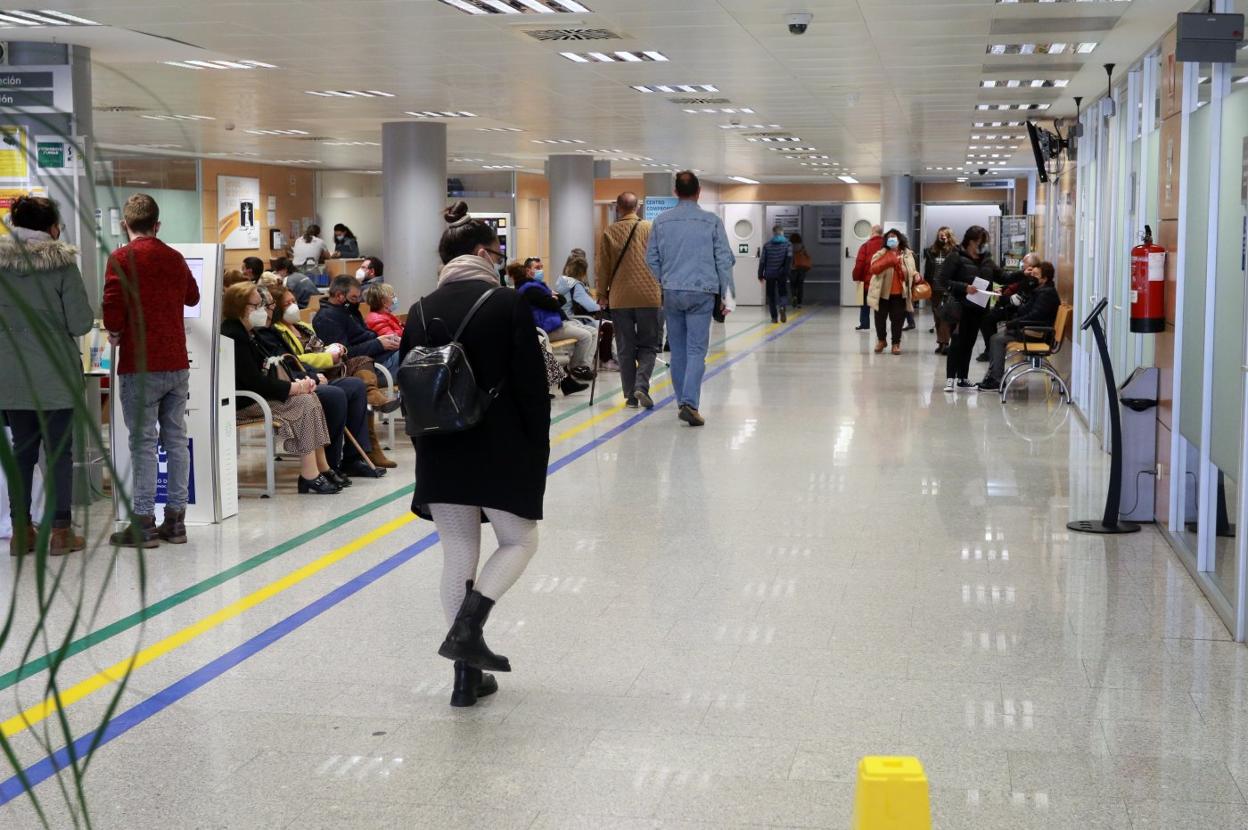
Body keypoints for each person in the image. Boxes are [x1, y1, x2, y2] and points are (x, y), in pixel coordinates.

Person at [399, 200, 550, 708]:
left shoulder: (419, 309)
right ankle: (470, 628)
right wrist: (537, 448)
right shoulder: (507, 304)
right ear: (484, 253)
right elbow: (532, 387)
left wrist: (423, 450)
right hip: (500, 444)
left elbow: (410, 388)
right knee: (519, 541)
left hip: (441, 447)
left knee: (457, 554)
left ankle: (465, 677)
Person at [102, 193, 200, 548]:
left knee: (142, 442)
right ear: (157, 225)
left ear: (125, 225)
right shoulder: (173, 258)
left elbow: (113, 306)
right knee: (175, 439)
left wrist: (115, 331)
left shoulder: (120, 258)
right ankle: (176, 522)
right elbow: (193, 297)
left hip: (139, 365)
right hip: (176, 362)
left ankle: (143, 522)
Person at [0, 195, 92, 556]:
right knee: (58, 454)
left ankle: (22, 532)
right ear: (52, 227)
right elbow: (81, 321)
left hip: (10, 374)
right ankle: (61, 532)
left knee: (20, 452)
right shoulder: (61, 264)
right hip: (55, 375)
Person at [221, 283, 341, 495]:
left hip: (258, 395)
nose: (263, 309)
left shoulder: (249, 331)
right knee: (304, 401)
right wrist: (293, 388)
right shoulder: (233, 334)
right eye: (257, 305)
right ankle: (309, 474)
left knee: (309, 397)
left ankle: (320, 467)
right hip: (244, 401)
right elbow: (254, 381)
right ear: (241, 306)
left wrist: (300, 384)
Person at [255, 286, 381, 482]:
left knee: (355, 386)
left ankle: (353, 458)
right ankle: (330, 464)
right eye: (284, 304)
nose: (292, 306)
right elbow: (288, 364)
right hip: (292, 385)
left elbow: (296, 361)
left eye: (293, 301)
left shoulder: (288, 328)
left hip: (309, 375)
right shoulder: (264, 333)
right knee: (334, 394)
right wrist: (313, 376)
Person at [644, 170, 735, 427]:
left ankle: (681, 402)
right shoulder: (712, 221)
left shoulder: (661, 222)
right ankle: (690, 403)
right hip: (702, 292)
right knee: (697, 350)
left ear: (675, 193)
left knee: (679, 351)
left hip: (671, 292)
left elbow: (650, 259)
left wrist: (665, 278)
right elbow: (724, 259)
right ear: (698, 192)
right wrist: (727, 295)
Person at [598, 192, 661, 409]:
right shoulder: (651, 228)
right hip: (649, 296)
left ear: (618, 208)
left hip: (620, 297)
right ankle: (641, 386)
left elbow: (603, 267)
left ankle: (630, 396)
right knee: (649, 345)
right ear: (638, 207)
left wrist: (601, 294)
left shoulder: (609, 231)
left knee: (625, 348)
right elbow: (660, 259)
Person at [507, 263, 589, 397]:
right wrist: (553, 298)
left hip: (537, 329)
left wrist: (554, 299)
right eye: (536, 268)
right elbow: (554, 303)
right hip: (540, 328)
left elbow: (558, 301)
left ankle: (565, 382)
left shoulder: (524, 289)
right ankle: (565, 382)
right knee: (541, 347)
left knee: (543, 348)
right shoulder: (529, 289)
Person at [978, 261, 1061, 391]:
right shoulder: (1039, 290)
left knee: (996, 339)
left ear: (1044, 279)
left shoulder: (1046, 294)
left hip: (1037, 333)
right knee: (997, 337)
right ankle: (993, 376)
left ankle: (995, 379)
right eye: (1031, 274)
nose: (1032, 278)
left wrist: (1014, 323)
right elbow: (1025, 310)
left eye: (1036, 275)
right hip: (1032, 330)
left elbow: (1034, 316)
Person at [942, 225, 1003, 393]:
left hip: (979, 307)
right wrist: (964, 287)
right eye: (979, 242)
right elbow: (942, 280)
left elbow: (1001, 276)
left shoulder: (987, 259)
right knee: (957, 342)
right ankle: (950, 379)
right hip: (960, 307)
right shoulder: (956, 256)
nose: (981, 245)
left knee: (969, 343)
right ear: (970, 241)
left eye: (983, 242)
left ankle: (962, 377)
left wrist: (1023, 275)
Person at [313, 274, 402, 378]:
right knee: (413, 358)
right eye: (353, 297)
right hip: (368, 367)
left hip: (378, 357)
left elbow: (364, 337)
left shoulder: (349, 310)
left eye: (358, 297)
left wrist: (381, 340)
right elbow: (343, 354)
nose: (357, 301)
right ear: (339, 296)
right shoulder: (326, 319)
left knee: (415, 352)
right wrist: (378, 344)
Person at [976, 252, 1040, 362]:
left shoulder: (1031, 280)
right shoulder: (1025, 277)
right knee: (986, 317)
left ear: (1031, 266)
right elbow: (1014, 286)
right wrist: (1002, 289)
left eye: (1024, 262)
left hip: (1014, 311)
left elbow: (1018, 300)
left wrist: (1001, 298)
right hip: (1012, 307)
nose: (1022, 264)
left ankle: (990, 350)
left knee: (986, 319)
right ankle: (990, 349)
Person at [867, 229, 919, 355]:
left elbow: (912, 270)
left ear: (900, 239)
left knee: (898, 320)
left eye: (894, 237)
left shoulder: (908, 254)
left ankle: (896, 344)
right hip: (882, 293)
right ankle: (881, 340)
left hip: (900, 294)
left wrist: (916, 275)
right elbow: (873, 268)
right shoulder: (880, 253)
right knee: (879, 319)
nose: (892, 239)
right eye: (889, 237)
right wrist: (889, 259)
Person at [923, 226, 957, 354]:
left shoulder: (955, 251)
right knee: (937, 317)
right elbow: (928, 270)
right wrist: (927, 285)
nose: (941, 237)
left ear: (949, 236)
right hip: (935, 288)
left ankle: (946, 343)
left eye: (944, 235)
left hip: (948, 289)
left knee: (946, 317)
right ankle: (940, 342)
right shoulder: (932, 251)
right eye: (940, 235)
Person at [852, 225, 884, 331]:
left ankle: (864, 324)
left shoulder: (865, 246)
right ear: (881, 233)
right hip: (882, 281)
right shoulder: (886, 246)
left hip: (866, 281)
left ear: (873, 232)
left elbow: (859, 264)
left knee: (863, 303)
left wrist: (856, 277)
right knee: (880, 305)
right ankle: (880, 325)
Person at [758, 224, 792, 324]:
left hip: (770, 273)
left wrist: (760, 274)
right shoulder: (788, 244)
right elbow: (789, 259)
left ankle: (774, 317)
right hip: (781, 273)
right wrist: (786, 272)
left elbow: (763, 260)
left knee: (771, 295)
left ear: (773, 233)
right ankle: (782, 307)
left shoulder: (767, 245)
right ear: (782, 232)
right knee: (783, 293)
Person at [553, 254, 601, 321]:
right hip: (573, 320)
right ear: (583, 272)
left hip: (561, 318)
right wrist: (601, 305)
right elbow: (591, 307)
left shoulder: (561, 281)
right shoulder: (575, 285)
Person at [789, 232, 811, 309]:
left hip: (793, 268)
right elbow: (807, 256)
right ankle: (799, 303)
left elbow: (789, 258)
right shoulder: (802, 247)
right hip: (802, 268)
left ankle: (794, 296)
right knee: (800, 286)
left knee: (792, 285)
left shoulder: (790, 247)